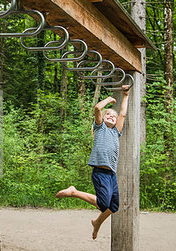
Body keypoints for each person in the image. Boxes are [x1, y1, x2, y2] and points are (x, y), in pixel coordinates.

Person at [56, 85, 131, 239]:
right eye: (108, 114)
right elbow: (97, 108)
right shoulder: (100, 128)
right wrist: (109, 100)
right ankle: (73, 192)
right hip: (100, 172)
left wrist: (126, 95)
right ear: (103, 118)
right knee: (104, 204)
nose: (111, 116)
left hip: (111, 174)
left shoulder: (116, 132)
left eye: (113, 116)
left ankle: (97, 222)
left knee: (113, 206)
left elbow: (123, 114)